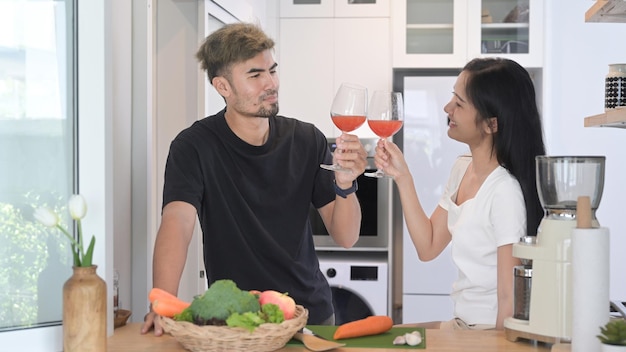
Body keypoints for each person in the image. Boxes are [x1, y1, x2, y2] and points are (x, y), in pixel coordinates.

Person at [141, 22, 367, 335]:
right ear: (223, 87)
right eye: (255, 75)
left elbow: (346, 237)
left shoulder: (307, 140)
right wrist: (162, 301)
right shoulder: (194, 146)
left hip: (309, 317)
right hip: (236, 321)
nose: (270, 83)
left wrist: (345, 184)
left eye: (272, 71)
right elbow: (177, 223)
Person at [374, 58, 545, 330]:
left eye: (459, 102)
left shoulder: (504, 193)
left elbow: (508, 299)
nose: (447, 108)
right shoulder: (462, 167)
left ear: (492, 124)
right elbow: (428, 246)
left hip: (487, 335)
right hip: (461, 326)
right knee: (384, 335)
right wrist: (403, 177)